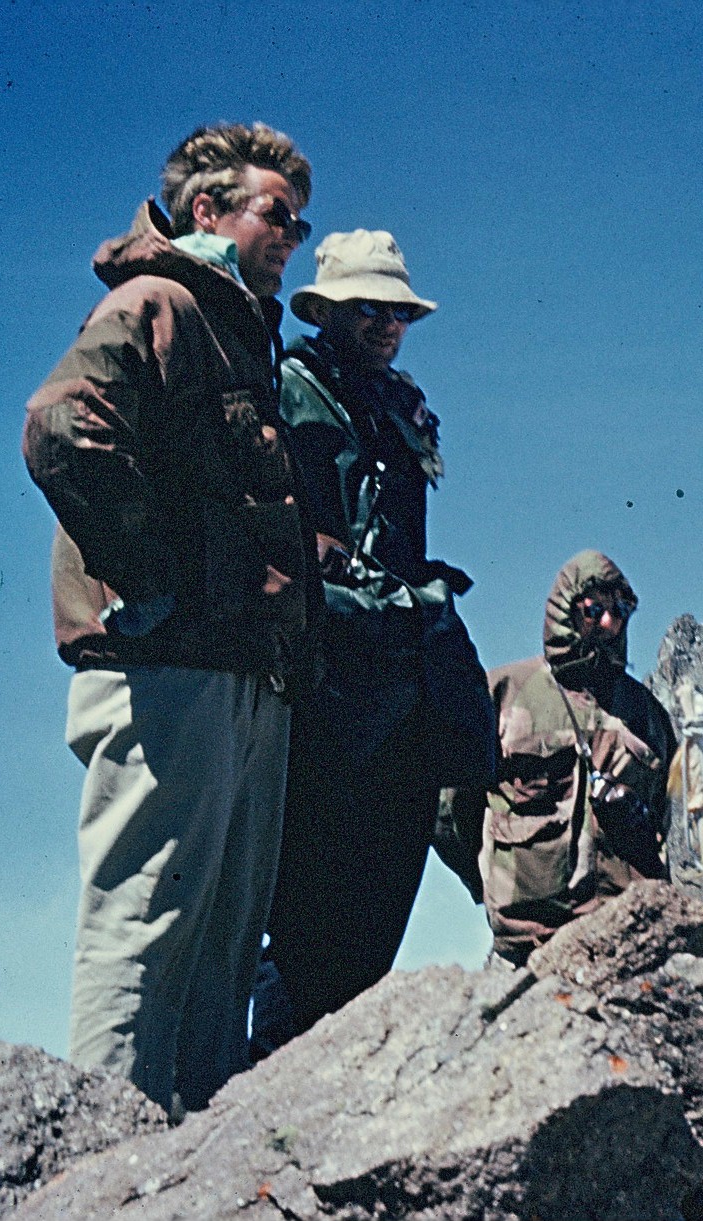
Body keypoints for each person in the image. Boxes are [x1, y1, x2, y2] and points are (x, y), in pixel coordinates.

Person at [20, 123, 314, 1114]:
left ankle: (198, 1177)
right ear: (208, 210)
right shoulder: (159, 303)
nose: (294, 237)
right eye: (279, 215)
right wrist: (154, 585)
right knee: (142, 937)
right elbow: (62, 427)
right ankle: (99, 1167)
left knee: (220, 952)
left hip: (235, 675)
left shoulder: (237, 333)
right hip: (170, 672)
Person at [250, 231, 493, 1055]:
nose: (388, 324)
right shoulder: (290, 387)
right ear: (326, 311)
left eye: (399, 312)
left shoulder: (401, 403)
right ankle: (266, 1096)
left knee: (381, 901)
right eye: (368, 308)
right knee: (305, 919)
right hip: (330, 677)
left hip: (404, 675)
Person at [460, 551, 676, 965]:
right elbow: (452, 807)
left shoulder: (647, 715)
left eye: (620, 611)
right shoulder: (503, 693)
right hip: (530, 941)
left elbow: (665, 823)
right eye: (594, 610)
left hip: (628, 938)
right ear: (565, 611)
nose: (609, 623)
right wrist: (486, 880)